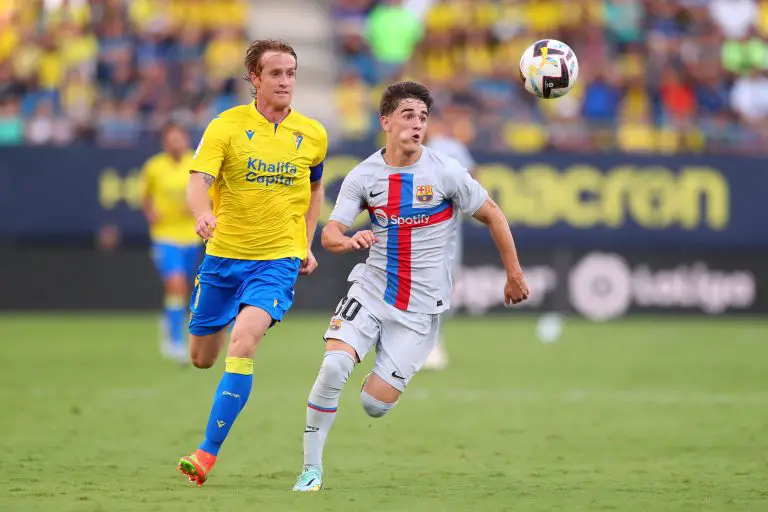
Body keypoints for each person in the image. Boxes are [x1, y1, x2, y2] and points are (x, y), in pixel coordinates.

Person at [292, 81, 529, 492]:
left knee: (374, 405)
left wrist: (514, 274)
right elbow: (330, 234)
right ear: (385, 121)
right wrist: (349, 240)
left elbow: (494, 215)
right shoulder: (364, 177)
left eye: (422, 117)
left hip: (420, 310)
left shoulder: (446, 173)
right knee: (333, 367)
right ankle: (311, 470)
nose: (417, 124)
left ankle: (382, 361)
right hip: (371, 291)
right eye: (407, 115)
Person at [176, 39, 328, 486]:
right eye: (277, 74)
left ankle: (206, 453)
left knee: (244, 341)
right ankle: (220, 319)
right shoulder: (225, 126)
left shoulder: (312, 134)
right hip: (224, 258)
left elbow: (315, 188)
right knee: (203, 358)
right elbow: (198, 181)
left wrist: (305, 241)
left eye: (292, 73)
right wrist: (202, 212)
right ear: (255, 79)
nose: (286, 82)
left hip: (276, 260)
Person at [139, 123, 202, 363]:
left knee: (184, 286)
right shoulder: (154, 167)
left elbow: (209, 192)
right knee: (175, 283)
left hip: (191, 235)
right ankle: (175, 340)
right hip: (165, 235)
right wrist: (151, 213)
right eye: (171, 139)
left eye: (179, 138)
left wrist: (196, 206)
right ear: (165, 142)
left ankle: (169, 320)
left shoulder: (196, 163)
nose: (176, 143)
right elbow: (145, 196)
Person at [422, 111, 478, 370]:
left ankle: (430, 342)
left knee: (438, 283)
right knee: (440, 283)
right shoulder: (445, 147)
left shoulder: (437, 147)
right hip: (442, 228)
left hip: (436, 227)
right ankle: (430, 342)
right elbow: (474, 178)